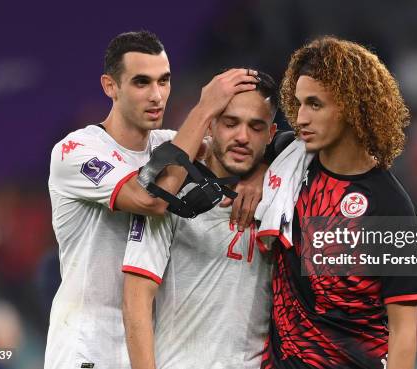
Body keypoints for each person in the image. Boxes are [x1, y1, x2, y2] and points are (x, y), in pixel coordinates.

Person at [45, 30, 262, 369]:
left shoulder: (170, 143)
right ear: (110, 86)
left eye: (164, 81)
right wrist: (205, 108)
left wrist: (258, 175)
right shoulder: (77, 151)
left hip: (147, 348)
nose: (157, 95)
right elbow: (150, 199)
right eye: (141, 83)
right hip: (88, 347)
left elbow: (241, 149)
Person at [255, 36, 417, 369]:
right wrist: (254, 177)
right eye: (299, 103)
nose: (301, 117)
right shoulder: (286, 159)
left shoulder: (389, 205)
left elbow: (404, 333)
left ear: (351, 106)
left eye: (315, 104)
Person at [121, 72, 279, 369]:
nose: (242, 137)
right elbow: (135, 299)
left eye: (255, 127)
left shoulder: (283, 194)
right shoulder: (171, 192)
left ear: (270, 135)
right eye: (230, 123)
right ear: (210, 125)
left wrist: (268, 171)